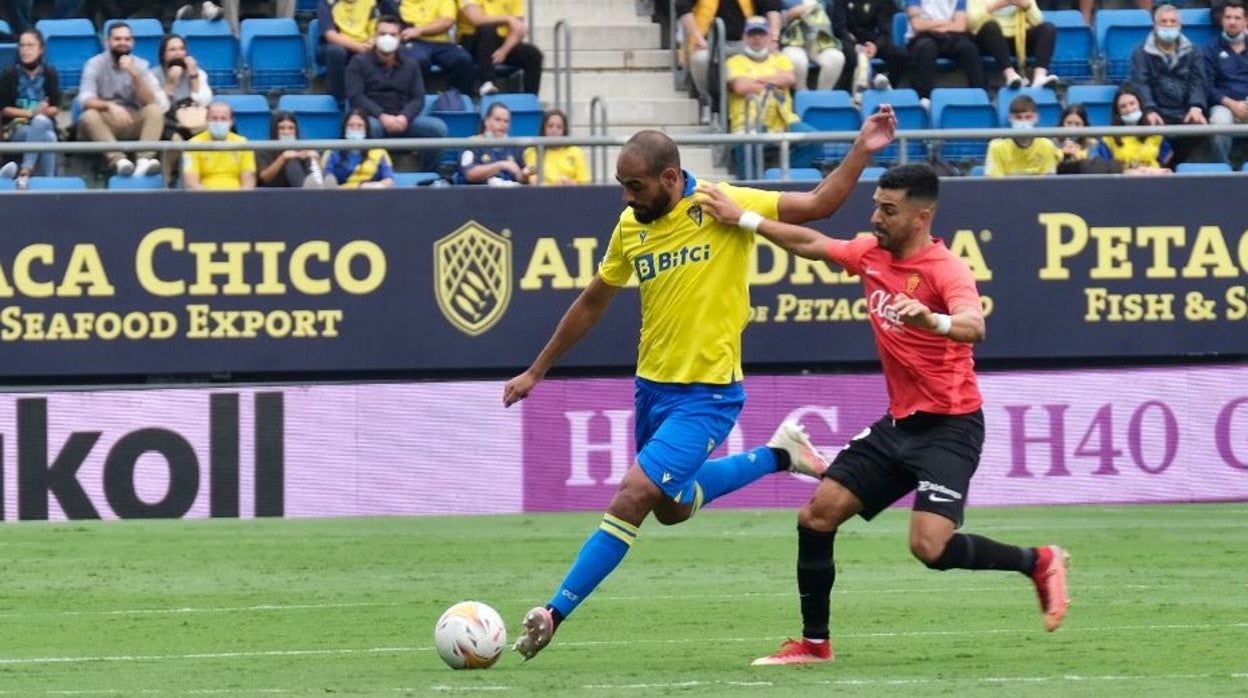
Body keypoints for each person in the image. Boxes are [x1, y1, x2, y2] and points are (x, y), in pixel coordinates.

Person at [502, 106, 900, 663]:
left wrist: (862, 149)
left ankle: (553, 611)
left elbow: (819, 206)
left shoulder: (720, 203)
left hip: (709, 395)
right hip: (652, 391)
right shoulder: (630, 228)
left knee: (634, 495)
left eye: (634, 186)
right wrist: (537, 369)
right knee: (671, 505)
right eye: (622, 187)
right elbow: (594, 300)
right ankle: (779, 456)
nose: (626, 198)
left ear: (669, 178)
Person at [692, 162, 1071, 666]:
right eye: (876, 205)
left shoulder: (946, 270)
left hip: (951, 427)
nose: (875, 217)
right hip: (899, 423)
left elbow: (974, 324)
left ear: (921, 217)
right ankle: (814, 644)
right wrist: (743, 219)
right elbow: (810, 244)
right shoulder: (871, 254)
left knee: (930, 548)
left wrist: (932, 319)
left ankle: (1038, 562)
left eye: (887, 210)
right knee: (817, 516)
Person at [345, 14, 449, 169]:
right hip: (374, 120)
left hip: (404, 121)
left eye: (393, 35)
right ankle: (371, 174)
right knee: (369, 128)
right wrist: (382, 115)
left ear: (400, 37)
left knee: (438, 129)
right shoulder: (359, 62)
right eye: (382, 34)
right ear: (374, 35)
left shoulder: (411, 64)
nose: (387, 38)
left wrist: (405, 117)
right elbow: (356, 96)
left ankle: (428, 176)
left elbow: (418, 98)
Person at [726, 15, 822, 178]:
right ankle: (753, 187)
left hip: (784, 120)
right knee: (746, 144)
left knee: (815, 140)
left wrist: (756, 81)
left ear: (769, 36)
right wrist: (774, 80)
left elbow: (790, 79)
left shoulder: (781, 59)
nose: (757, 39)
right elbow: (740, 86)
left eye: (761, 34)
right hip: (749, 122)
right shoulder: (734, 61)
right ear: (744, 37)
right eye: (752, 34)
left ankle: (782, 177)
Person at [77, 22, 165, 177]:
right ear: (108, 42)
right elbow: (85, 99)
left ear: (132, 42)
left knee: (155, 111)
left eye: (127, 39)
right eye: (118, 39)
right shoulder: (94, 64)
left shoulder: (140, 65)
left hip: (132, 119)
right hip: (104, 121)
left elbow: (150, 101)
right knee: (89, 115)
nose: (123, 43)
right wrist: (110, 106)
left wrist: (135, 74)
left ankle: (143, 161)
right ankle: (119, 161)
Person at [1130, 3, 1210, 165]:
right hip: (1157, 112)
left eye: (1173, 22)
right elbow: (1141, 83)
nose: (1168, 25)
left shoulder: (1194, 51)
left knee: (1201, 128)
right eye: (1163, 22)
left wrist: (1196, 106)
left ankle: (1183, 169)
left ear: (1180, 26)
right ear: (1155, 25)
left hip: (1185, 111)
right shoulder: (1140, 53)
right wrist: (1150, 109)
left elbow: (1198, 81)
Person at [677, 0, 783, 117]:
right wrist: (698, 38)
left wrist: (773, 38)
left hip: (747, 40)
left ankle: (758, 107)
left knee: (767, 57)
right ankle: (707, 101)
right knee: (701, 59)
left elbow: (772, 7)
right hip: (708, 42)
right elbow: (683, 8)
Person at [0, 29, 61, 190]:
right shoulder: (10, 74)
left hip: (44, 122)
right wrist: (32, 113)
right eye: (22, 45)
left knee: (43, 124)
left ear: (41, 49)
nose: (25, 50)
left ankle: (25, 172)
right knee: (48, 136)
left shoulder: (50, 73)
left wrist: (47, 110)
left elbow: (56, 107)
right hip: (16, 128)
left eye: (30, 45)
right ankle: (50, 182)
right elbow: (3, 109)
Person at [456, 0, 543, 96]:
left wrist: (504, 50)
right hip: (472, 41)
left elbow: (519, 28)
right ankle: (487, 82)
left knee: (533, 55)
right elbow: (477, 19)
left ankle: (530, 99)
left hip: (501, 42)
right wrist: (508, 19)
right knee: (487, 27)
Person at [969, 0, 1060, 88]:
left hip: (1018, 38)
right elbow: (970, 22)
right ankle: (1010, 75)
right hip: (988, 40)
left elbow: (1038, 21)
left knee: (1048, 28)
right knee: (991, 26)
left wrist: (1027, 7)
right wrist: (994, 6)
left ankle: (1040, 77)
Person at [397, 0, 476, 95]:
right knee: (418, 59)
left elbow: (447, 21)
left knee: (463, 59)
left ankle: (458, 98)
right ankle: (418, 96)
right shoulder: (401, 3)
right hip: (415, 42)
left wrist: (419, 30)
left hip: (443, 43)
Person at [1092, 84, 1174, 174]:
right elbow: (1106, 169)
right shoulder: (1109, 139)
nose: (1129, 109)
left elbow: (1166, 161)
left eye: (1132, 103)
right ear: (1117, 112)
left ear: (1140, 104)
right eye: (1123, 106)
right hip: (1122, 185)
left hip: (1154, 182)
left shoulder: (1155, 132)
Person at [1204, 0, 1248, 165]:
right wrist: (1232, 104)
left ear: (1246, 21)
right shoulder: (1210, 49)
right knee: (1219, 124)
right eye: (1228, 17)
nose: (1232, 22)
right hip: (1224, 105)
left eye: (1237, 18)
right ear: (1222, 20)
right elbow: (1207, 86)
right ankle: (1222, 170)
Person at [182, 101, 257, 189]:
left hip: (237, 196)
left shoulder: (243, 143)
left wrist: (240, 198)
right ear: (207, 120)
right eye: (214, 118)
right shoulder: (193, 144)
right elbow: (191, 182)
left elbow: (249, 180)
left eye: (223, 119)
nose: (219, 122)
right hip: (204, 197)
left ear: (231, 121)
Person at [838, 0, 908, 94]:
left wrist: (875, 46)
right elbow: (839, 28)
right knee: (850, 52)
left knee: (901, 55)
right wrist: (856, 44)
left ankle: (890, 88)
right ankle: (874, 80)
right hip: (849, 42)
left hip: (873, 42)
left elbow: (885, 30)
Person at [317, 0, 380, 102]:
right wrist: (358, 47)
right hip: (336, 46)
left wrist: (371, 43)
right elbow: (330, 36)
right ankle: (338, 99)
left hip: (363, 45)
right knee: (336, 51)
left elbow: (376, 31)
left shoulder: (370, 3)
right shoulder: (327, 3)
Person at [985, 94, 1062, 175]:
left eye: (1028, 117)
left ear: (1036, 118)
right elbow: (995, 184)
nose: (1023, 122)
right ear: (1010, 119)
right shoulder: (996, 147)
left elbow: (1049, 183)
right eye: (1018, 117)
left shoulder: (1047, 145)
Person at [457, 101, 532, 184]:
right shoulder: (471, 143)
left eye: (506, 121)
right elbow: (469, 174)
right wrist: (501, 165)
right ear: (486, 121)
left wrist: (524, 175)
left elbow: (521, 178)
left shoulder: (515, 146)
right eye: (498, 120)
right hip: (477, 194)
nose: (502, 124)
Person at [779, 0, 847, 91]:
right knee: (797, 61)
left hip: (820, 42)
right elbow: (771, 19)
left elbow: (832, 19)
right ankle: (802, 95)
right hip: (792, 42)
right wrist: (791, 14)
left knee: (836, 57)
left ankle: (821, 98)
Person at [323, 108, 396, 188]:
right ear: (345, 128)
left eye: (359, 126)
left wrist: (374, 186)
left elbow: (389, 180)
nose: (355, 129)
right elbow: (327, 181)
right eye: (351, 125)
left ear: (366, 129)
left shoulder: (379, 152)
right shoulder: (332, 152)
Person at [257, 111, 328, 188]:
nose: (287, 132)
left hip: (303, 186)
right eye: (281, 128)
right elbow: (265, 178)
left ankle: (324, 189)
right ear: (274, 130)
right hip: (274, 191)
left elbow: (315, 169)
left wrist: (315, 159)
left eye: (291, 128)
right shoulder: (264, 148)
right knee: (292, 160)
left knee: (309, 158)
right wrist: (283, 157)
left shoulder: (305, 146)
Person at [523, 109, 590, 185]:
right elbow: (534, 181)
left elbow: (585, 183)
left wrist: (571, 183)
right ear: (543, 129)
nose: (554, 130)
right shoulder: (532, 152)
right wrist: (556, 185)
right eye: (550, 126)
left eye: (559, 127)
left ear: (564, 130)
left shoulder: (576, 151)